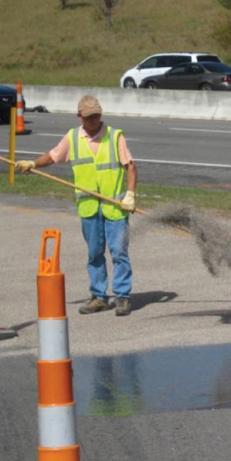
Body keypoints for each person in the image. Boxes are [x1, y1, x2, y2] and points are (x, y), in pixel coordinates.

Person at [16, 95, 137, 317]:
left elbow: (130, 167)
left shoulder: (114, 136)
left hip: (116, 207)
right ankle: (99, 296)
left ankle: (122, 297)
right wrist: (33, 163)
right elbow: (53, 157)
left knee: (119, 252)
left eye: (97, 116)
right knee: (94, 253)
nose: (94, 120)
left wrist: (130, 195)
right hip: (89, 207)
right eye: (89, 117)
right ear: (79, 116)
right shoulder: (72, 138)